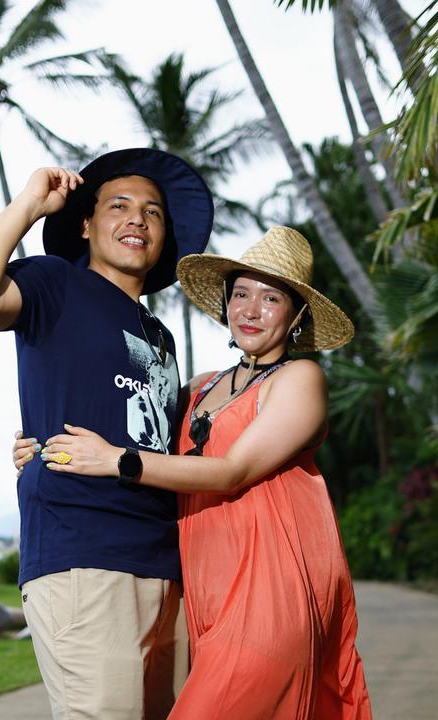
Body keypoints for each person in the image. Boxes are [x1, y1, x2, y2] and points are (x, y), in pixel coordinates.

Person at [25, 226, 373, 719]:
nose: (251, 310)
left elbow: (231, 470)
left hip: (271, 589)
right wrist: (42, 446)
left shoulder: (301, 379)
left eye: (271, 298)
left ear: (296, 316)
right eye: (241, 294)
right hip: (206, 593)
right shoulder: (201, 386)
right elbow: (136, 429)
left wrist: (114, 461)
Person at [0, 148, 214, 719]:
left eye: (153, 212)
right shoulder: (54, 282)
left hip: (165, 564)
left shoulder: (159, 336)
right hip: (83, 555)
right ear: (86, 224)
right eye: (119, 206)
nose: (137, 219)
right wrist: (31, 203)